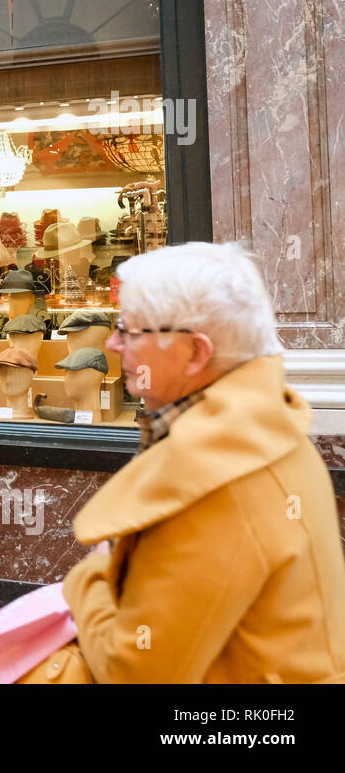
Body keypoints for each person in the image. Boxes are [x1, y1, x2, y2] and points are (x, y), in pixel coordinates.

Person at [25, 242, 345, 683]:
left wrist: (89, 579)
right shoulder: (260, 428)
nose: (114, 343)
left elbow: (134, 671)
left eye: (130, 330)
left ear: (195, 352)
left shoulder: (222, 475)